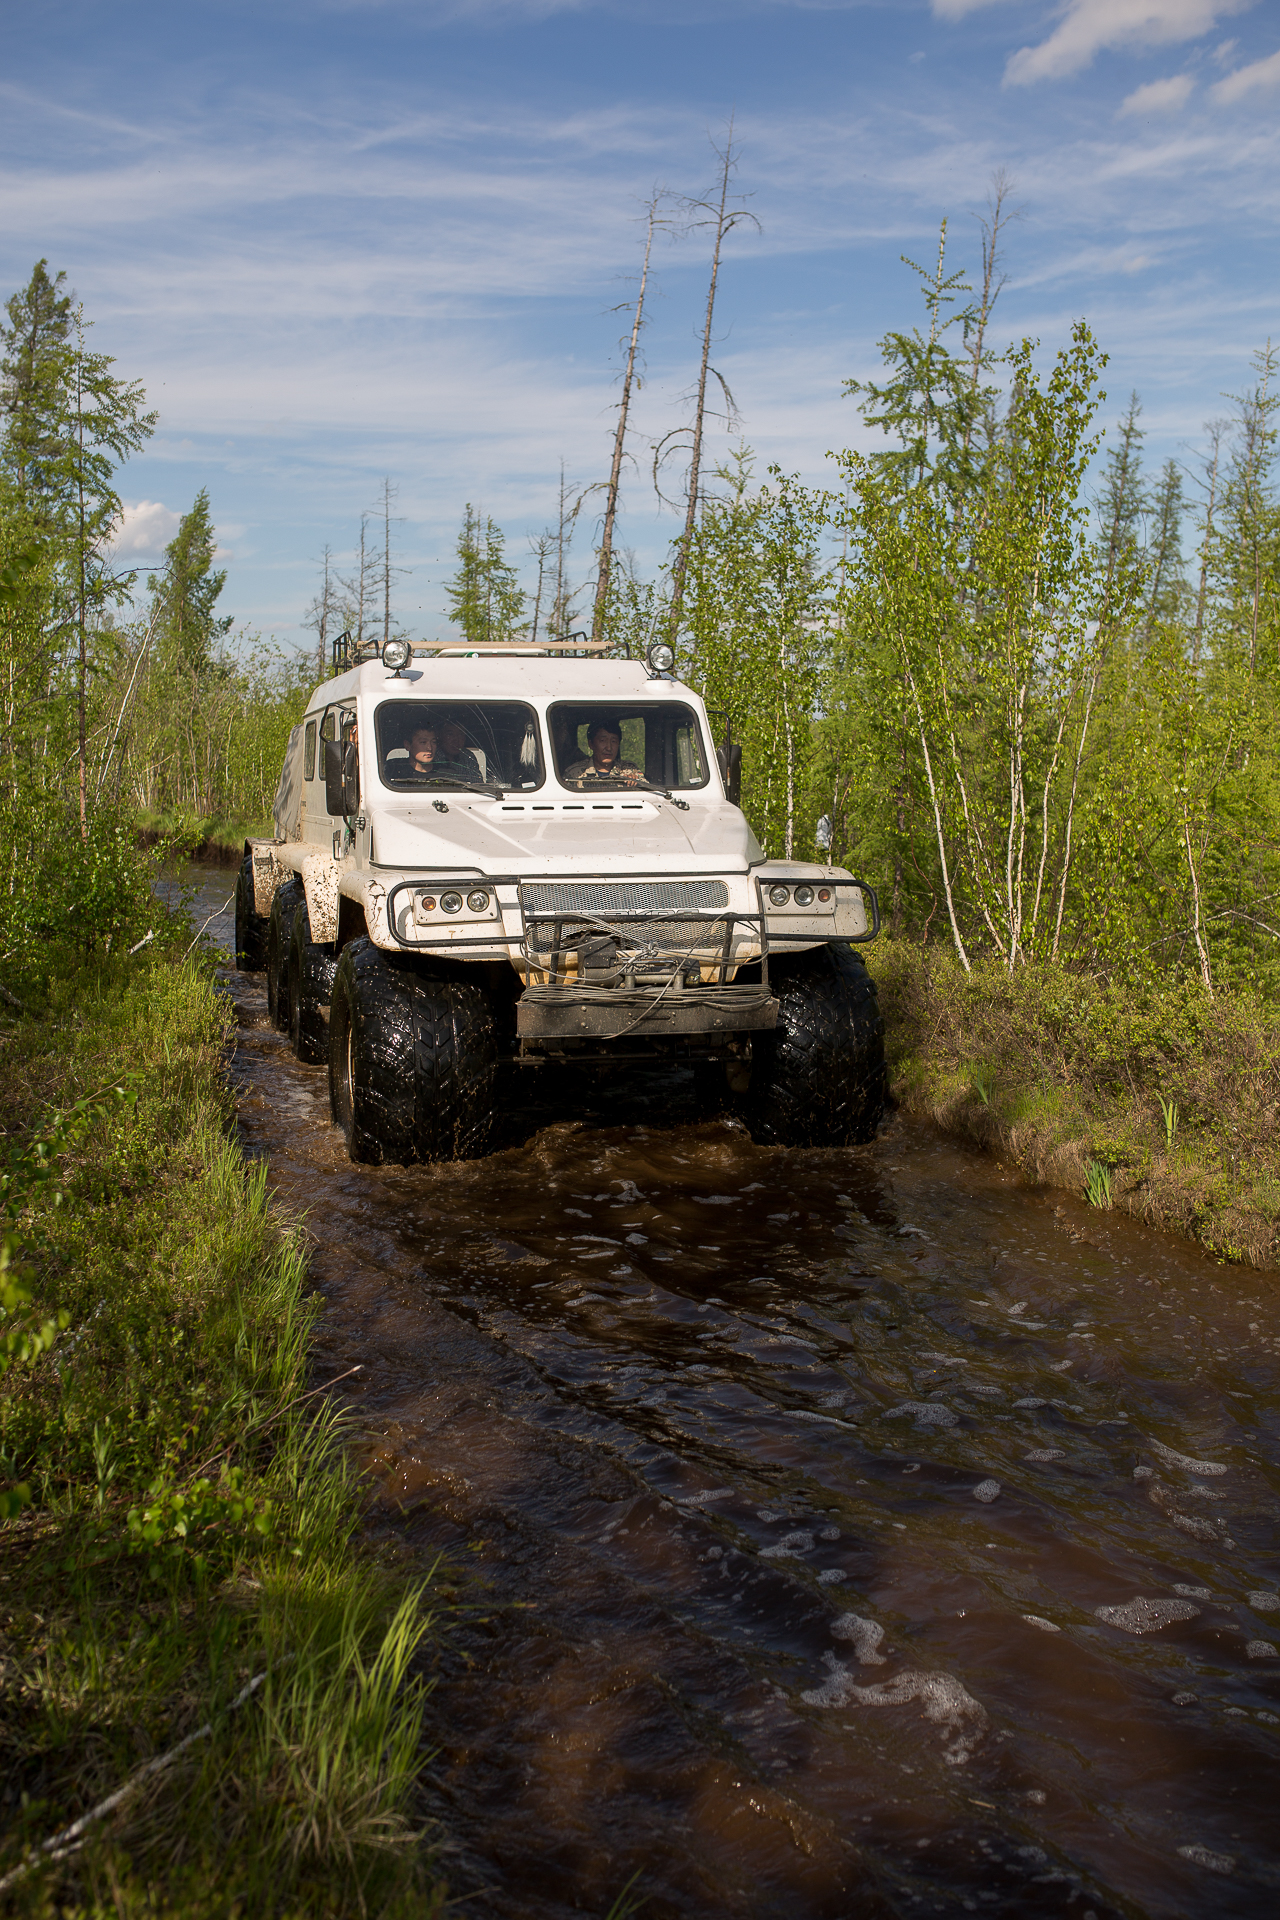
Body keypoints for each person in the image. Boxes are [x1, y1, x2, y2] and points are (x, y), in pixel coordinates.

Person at [562, 717, 643, 789]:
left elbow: (647, 791)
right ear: (591, 744)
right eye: (602, 741)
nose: (609, 748)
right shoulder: (575, 773)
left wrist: (635, 782)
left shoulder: (630, 769)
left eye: (613, 741)